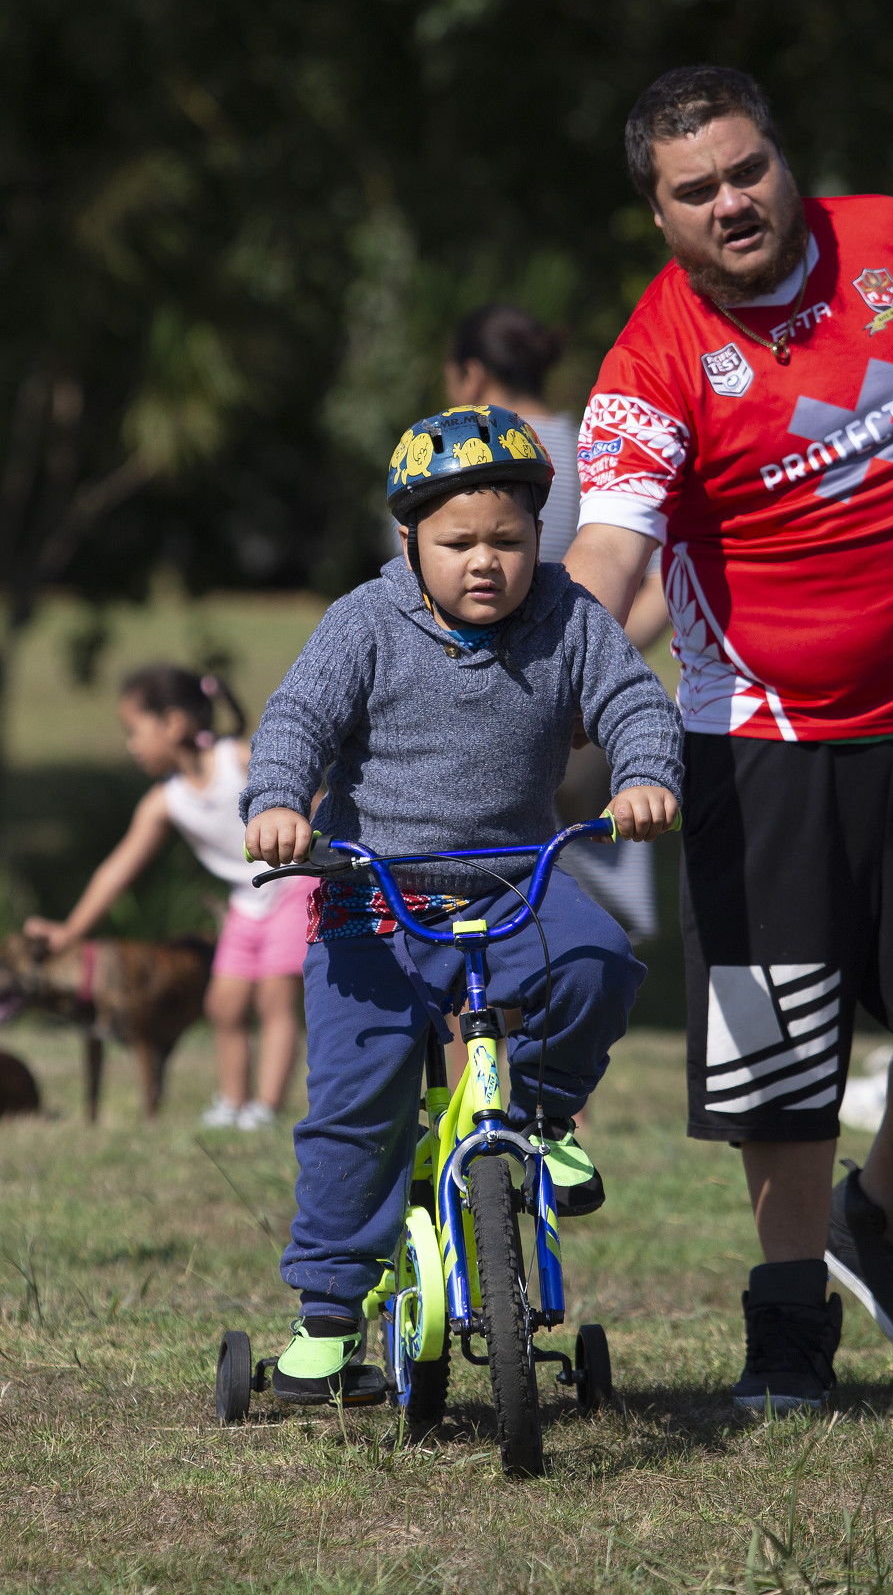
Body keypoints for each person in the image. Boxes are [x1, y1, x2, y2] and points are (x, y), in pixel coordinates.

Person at [564, 65, 893, 1412]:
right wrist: (534, 677)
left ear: (782, 159)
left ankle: (885, 1207)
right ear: (659, 215)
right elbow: (611, 551)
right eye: (695, 190)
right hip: (761, 751)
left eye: (746, 169)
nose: (731, 202)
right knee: (779, 1057)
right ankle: (787, 1324)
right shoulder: (650, 364)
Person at [241, 403, 682, 1400]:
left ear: (538, 539)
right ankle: (328, 1312)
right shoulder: (365, 621)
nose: (485, 561)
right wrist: (276, 802)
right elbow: (297, 719)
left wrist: (645, 775)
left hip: (513, 880)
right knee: (359, 1101)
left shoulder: (569, 616)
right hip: (373, 896)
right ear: (410, 541)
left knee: (598, 965)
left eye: (509, 541)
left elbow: (632, 702)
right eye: (458, 543)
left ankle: (542, 1116)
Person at [445, 303, 671, 941]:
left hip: (473, 702)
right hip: (587, 710)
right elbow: (659, 583)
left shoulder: (452, 460)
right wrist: (593, 663)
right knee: (569, 888)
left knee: (482, 894)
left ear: (471, 373)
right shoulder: (595, 445)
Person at [23, 665, 310, 1129]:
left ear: (173, 723)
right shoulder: (166, 801)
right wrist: (69, 931)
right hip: (246, 900)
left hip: (294, 885)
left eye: (134, 731)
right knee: (223, 1005)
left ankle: (266, 1106)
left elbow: (311, 799)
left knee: (275, 1001)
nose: (131, 745)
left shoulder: (238, 759)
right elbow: (116, 871)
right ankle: (232, 1102)